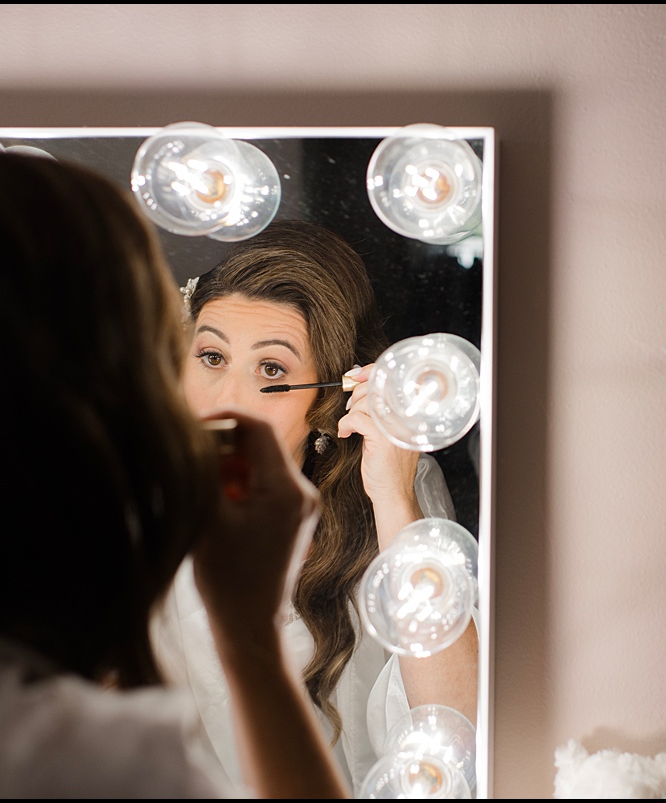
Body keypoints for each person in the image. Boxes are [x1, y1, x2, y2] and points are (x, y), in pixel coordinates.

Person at [0, 149, 348, 798]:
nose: (224, 399)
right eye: (198, 356)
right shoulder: (70, 757)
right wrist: (248, 641)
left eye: (270, 370)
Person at [154, 220, 480, 794]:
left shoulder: (385, 496)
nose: (226, 399)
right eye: (211, 356)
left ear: (330, 397)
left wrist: (394, 500)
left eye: (271, 370)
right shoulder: (130, 497)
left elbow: (459, 728)